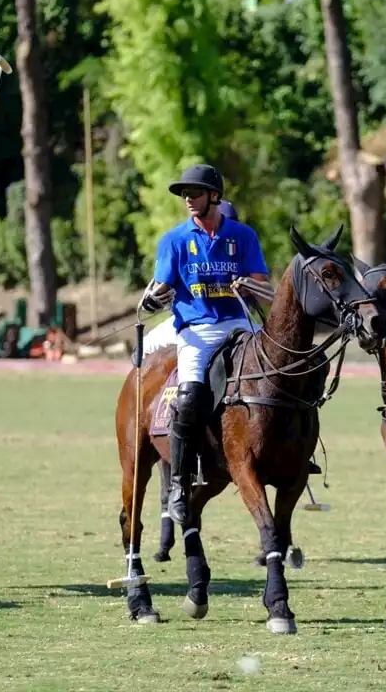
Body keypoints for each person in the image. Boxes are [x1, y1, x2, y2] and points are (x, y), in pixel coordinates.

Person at [140, 165, 271, 524]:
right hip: (196, 330)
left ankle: (289, 453)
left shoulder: (242, 236)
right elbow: (162, 285)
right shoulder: (174, 240)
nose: (187, 199)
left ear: (214, 195)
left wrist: (248, 285)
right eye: (184, 193)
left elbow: (264, 286)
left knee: (272, 378)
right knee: (188, 399)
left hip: (238, 322)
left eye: (194, 192)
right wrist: (153, 300)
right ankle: (180, 487)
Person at [141, 200, 242, 356]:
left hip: (195, 327)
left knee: (142, 348)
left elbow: (157, 293)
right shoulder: (241, 251)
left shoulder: (185, 247)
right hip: (240, 324)